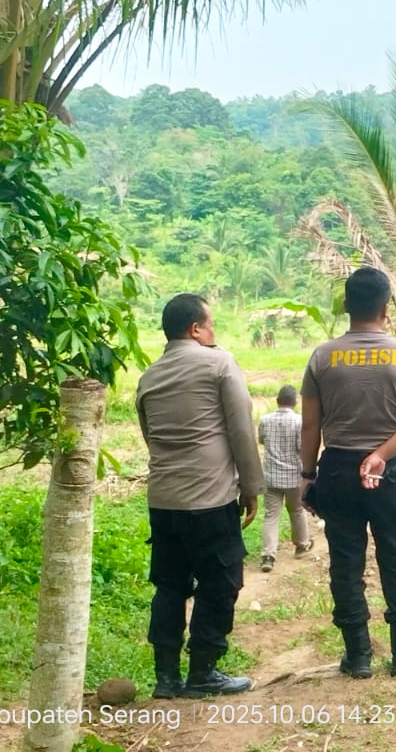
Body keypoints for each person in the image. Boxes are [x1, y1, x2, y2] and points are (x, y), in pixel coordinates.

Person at [299, 266, 396, 679]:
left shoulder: (322, 356)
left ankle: (358, 655)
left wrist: (308, 476)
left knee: (345, 562)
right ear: (385, 307)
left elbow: (310, 425)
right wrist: (383, 454)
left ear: (346, 305)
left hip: (337, 470)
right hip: (387, 472)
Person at [135, 293, 263, 699]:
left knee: (170, 585)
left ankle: (166, 677)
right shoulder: (219, 363)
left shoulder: (149, 376)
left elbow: (149, 435)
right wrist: (251, 486)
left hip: (163, 500)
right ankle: (203, 671)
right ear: (195, 329)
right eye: (211, 325)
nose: (213, 332)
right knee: (219, 582)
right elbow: (241, 429)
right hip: (210, 498)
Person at [257, 385, 313, 572]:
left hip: (271, 476)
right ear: (295, 402)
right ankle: (301, 545)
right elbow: (301, 447)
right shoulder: (299, 421)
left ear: (277, 400)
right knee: (296, 510)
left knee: (271, 515)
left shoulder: (265, 420)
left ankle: (268, 556)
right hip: (293, 477)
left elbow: (262, 440)